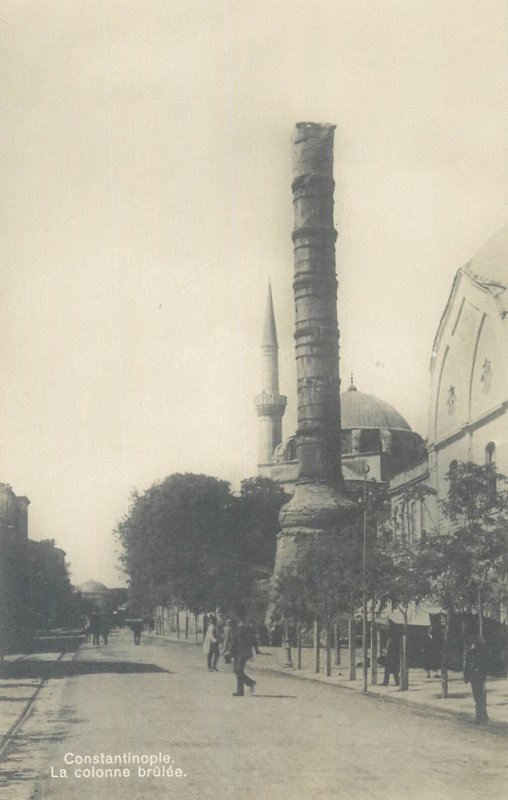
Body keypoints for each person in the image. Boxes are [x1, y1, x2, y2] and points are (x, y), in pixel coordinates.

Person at [231, 608, 256, 696]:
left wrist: (249, 652)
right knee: (236, 670)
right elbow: (234, 640)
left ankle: (241, 690)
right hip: (237, 651)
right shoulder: (238, 626)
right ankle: (249, 684)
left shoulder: (246, 627)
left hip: (243, 652)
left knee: (238, 670)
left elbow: (250, 641)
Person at [464, 637, 489, 724]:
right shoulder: (482, 653)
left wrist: (467, 677)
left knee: (478, 697)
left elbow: (468, 666)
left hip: (476, 678)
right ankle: (484, 716)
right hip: (478, 678)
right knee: (480, 697)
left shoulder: (473, 653)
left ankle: (480, 717)